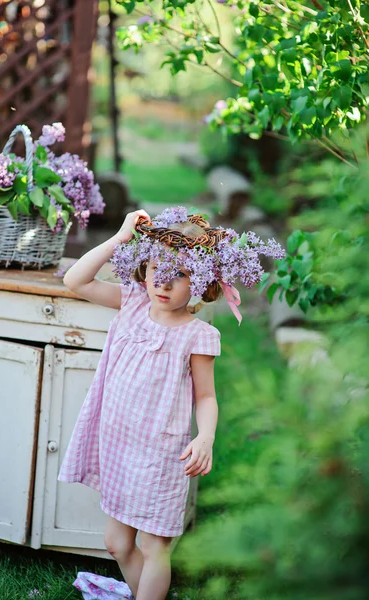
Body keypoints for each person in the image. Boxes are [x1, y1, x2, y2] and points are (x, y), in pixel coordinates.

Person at [58, 207, 284, 600]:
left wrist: (206, 437)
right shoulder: (130, 304)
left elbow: (206, 396)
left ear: (201, 281)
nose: (163, 282)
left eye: (179, 274)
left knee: (154, 546)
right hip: (118, 444)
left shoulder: (197, 335)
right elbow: (74, 279)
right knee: (117, 542)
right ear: (143, 268)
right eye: (156, 269)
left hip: (162, 453)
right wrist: (121, 237)